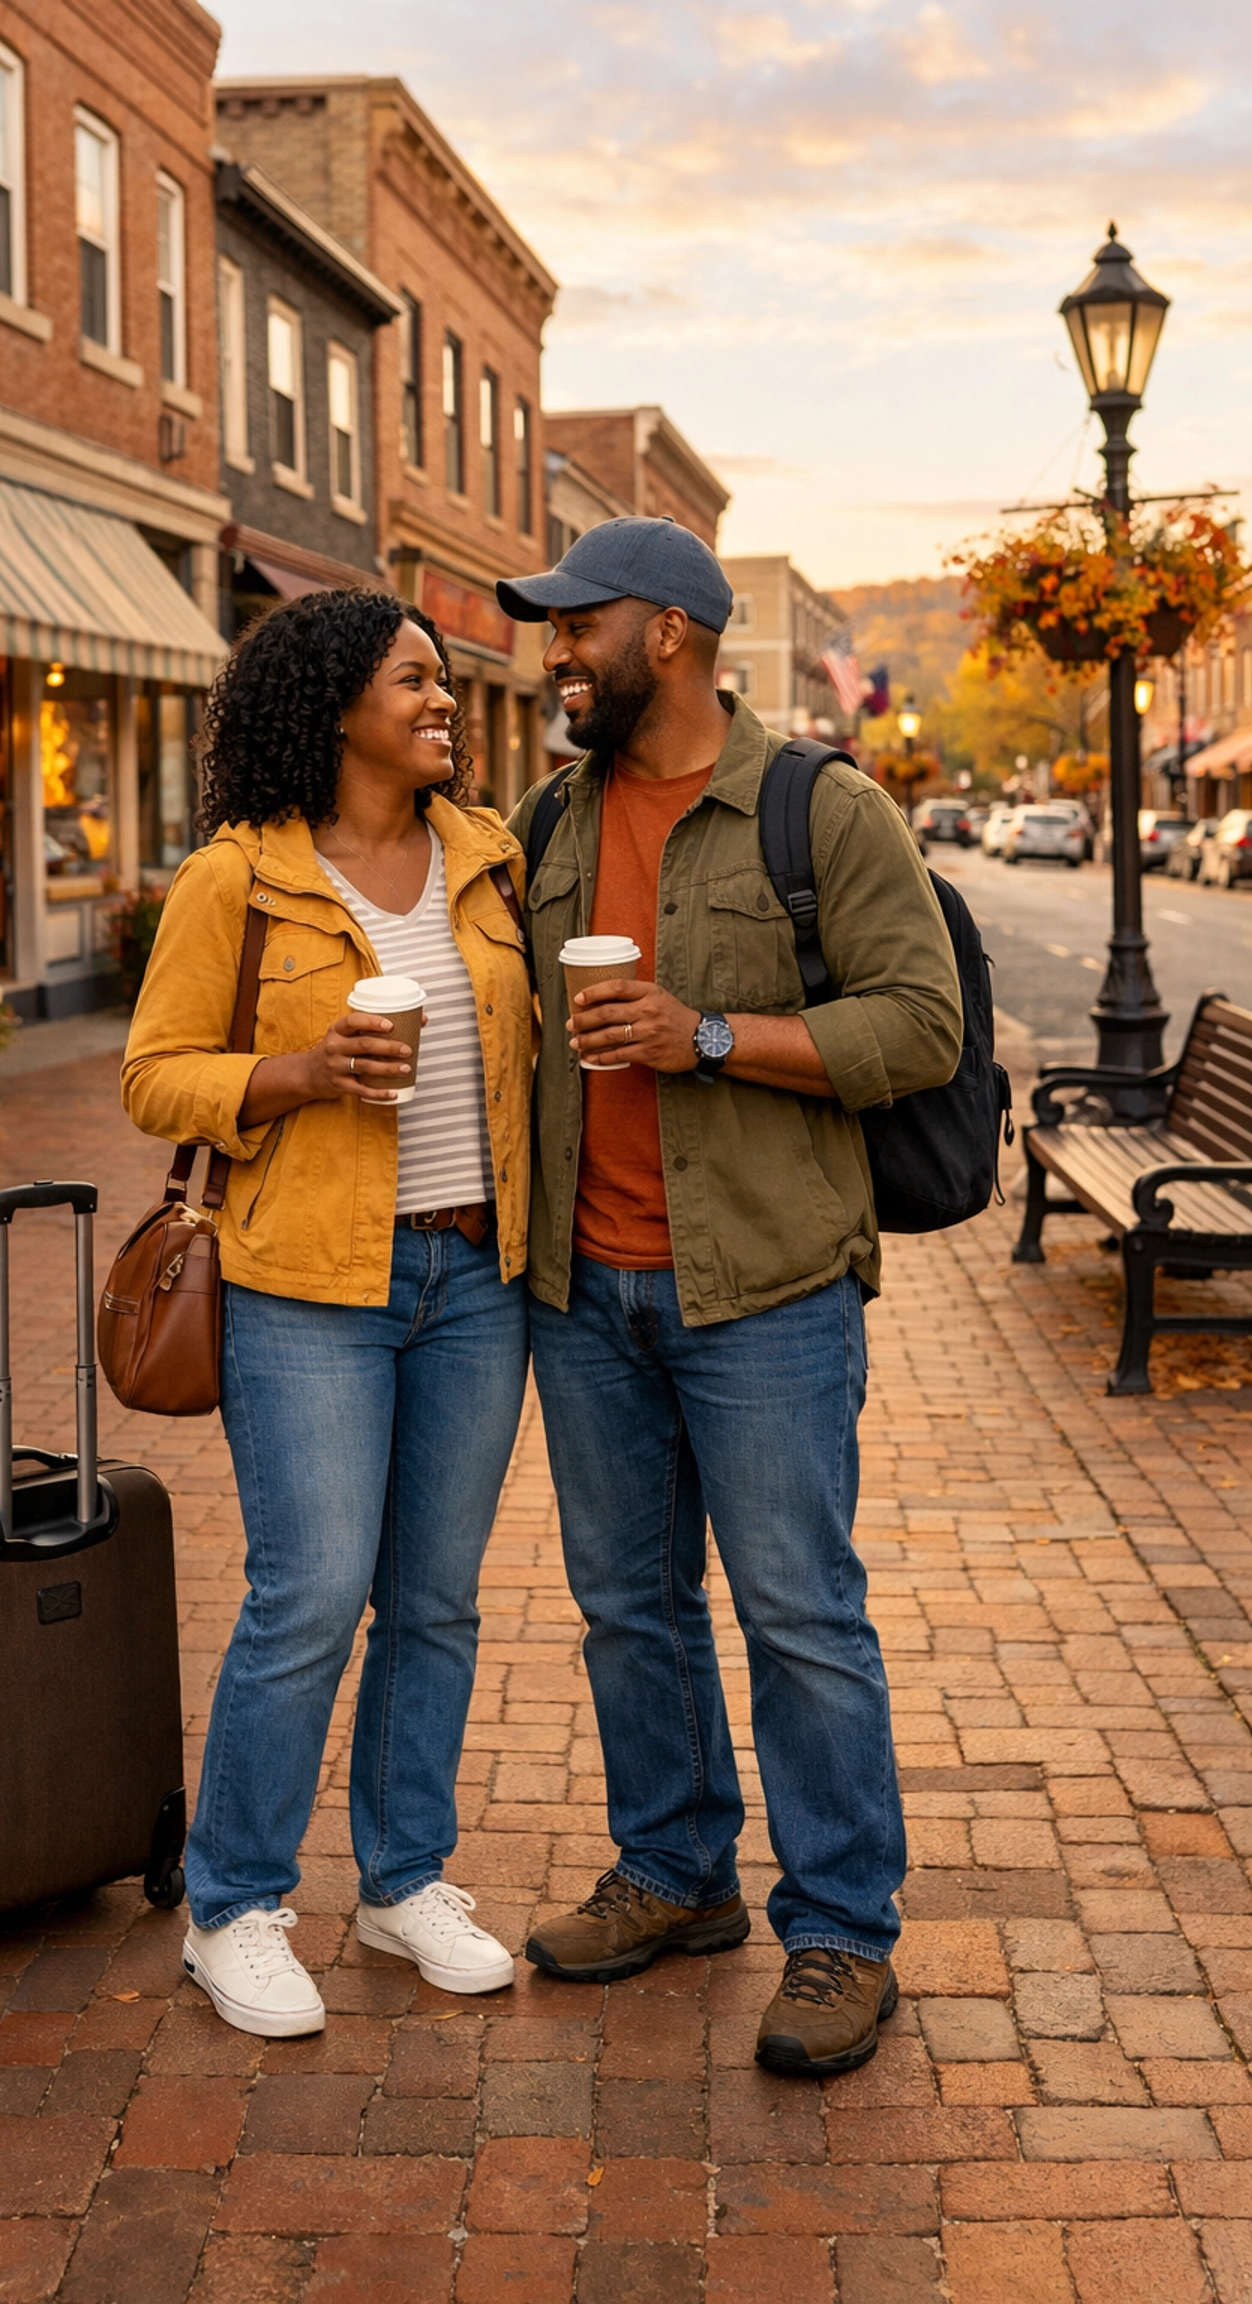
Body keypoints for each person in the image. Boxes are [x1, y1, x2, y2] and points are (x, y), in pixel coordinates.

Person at [497, 518, 963, 2077]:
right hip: (586, 1291)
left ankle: (840, 1934)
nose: (558, 650)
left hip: (765, 1288)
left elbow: (919, 1029)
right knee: (630, 1610)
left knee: (800, 1616)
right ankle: (676, 1874)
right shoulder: (549, 820)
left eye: (581, 624)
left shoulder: (820, 810)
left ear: (675, 635)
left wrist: (705, 1034)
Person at [122, 589, 533, 2039]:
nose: (443, 703)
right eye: (414, 680)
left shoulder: (492, 862)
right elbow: (157, 1076)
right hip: (306, 1288)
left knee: (435, 1598)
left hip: (477, 1280)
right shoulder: (237, 879)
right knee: (308, 1594)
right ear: (334, 705)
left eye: (443, 683)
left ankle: (405, 1879)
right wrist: (297, 1072)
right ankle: (231, 1906)